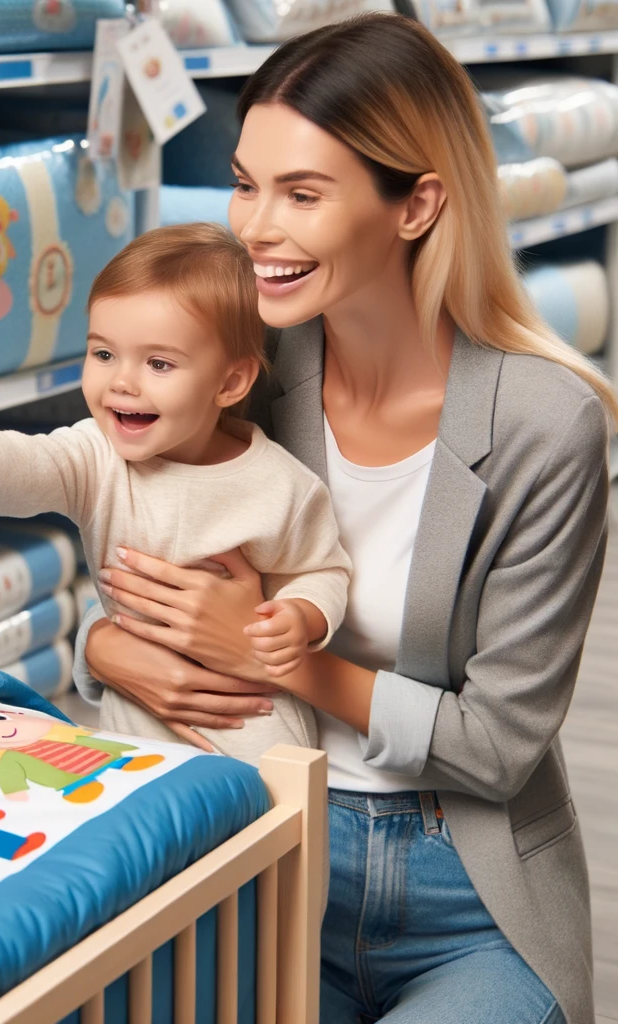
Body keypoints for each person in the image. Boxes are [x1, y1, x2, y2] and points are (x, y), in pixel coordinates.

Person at [71, 14, 612, 1024]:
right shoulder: (247, 377)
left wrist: (282, 657)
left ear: (415, 205)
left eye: (302, 194)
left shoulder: (548, 424)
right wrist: (105, 646)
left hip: (470, 893)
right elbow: (122, 543)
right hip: (262, 846)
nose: (254, 226)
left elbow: (496, 744)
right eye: (245, 182)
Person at [0, 222, 352, 766]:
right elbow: (18, 461)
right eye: (104, 354)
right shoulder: (97, 459)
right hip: (137, 743)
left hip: (259, 742)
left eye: (158, 363)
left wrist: (302, 616)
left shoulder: (282, 486)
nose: (122, 382)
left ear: (231, 383)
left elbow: (322, 571)